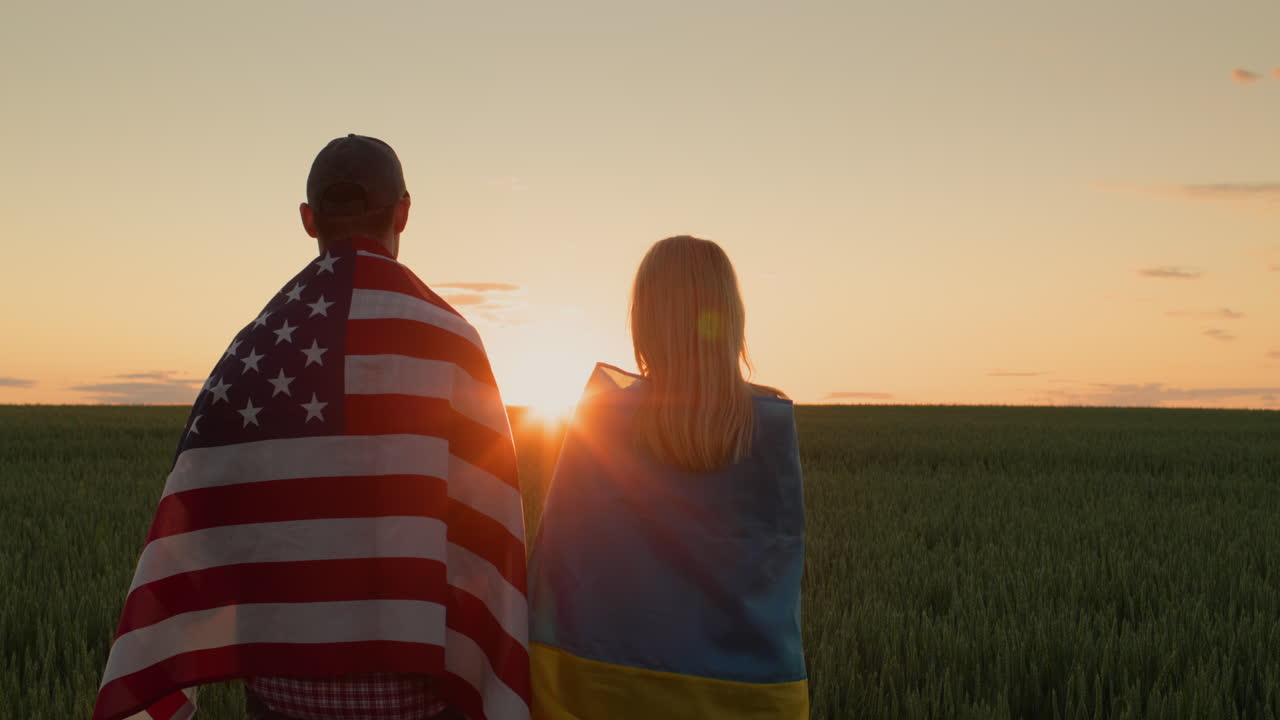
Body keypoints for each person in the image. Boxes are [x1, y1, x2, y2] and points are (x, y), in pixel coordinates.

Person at [93, 135, 531, 720]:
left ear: (308, 219)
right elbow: (490, 536)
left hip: (281, 701)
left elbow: (198, 523)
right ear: (403, 212)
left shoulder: (251, 347)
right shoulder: (451, 343)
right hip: (418, 699)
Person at [527, 236, 809, 719]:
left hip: (607, 691)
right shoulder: (771, 428)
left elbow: (557, 563)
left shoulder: (602, 421)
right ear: (731, 318)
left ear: (645, 321)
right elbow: (779, 568)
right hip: (751, 695)